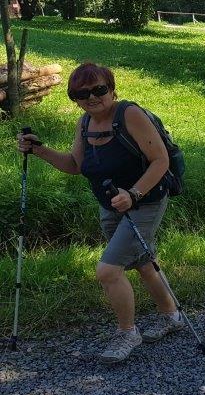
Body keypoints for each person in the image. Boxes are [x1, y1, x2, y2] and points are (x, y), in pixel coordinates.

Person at [17, 63, 184, 364]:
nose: (92, 97)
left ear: (111, 88)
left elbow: (160, 161)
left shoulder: (130, 114)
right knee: (144, 263)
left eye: (99, 89)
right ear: (74, 98)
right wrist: (37, 150)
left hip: (145, 202)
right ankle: (172, 316)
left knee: (108, 270)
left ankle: (127, 333)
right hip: (110, 205)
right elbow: (74, 165)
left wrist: (133, 194)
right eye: (81, 93)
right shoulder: (85, 123)